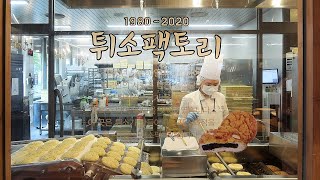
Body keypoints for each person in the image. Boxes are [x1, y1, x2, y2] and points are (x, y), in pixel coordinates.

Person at [177, 54, 229, 135]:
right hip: (197, 143)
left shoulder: (221, 97)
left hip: (219, 142)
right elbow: (180, 125)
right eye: (208, 84)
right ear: (200, 82)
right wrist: (186, 121)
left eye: (215, 84)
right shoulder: (188, 99)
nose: (212, 87)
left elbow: (227, 119)